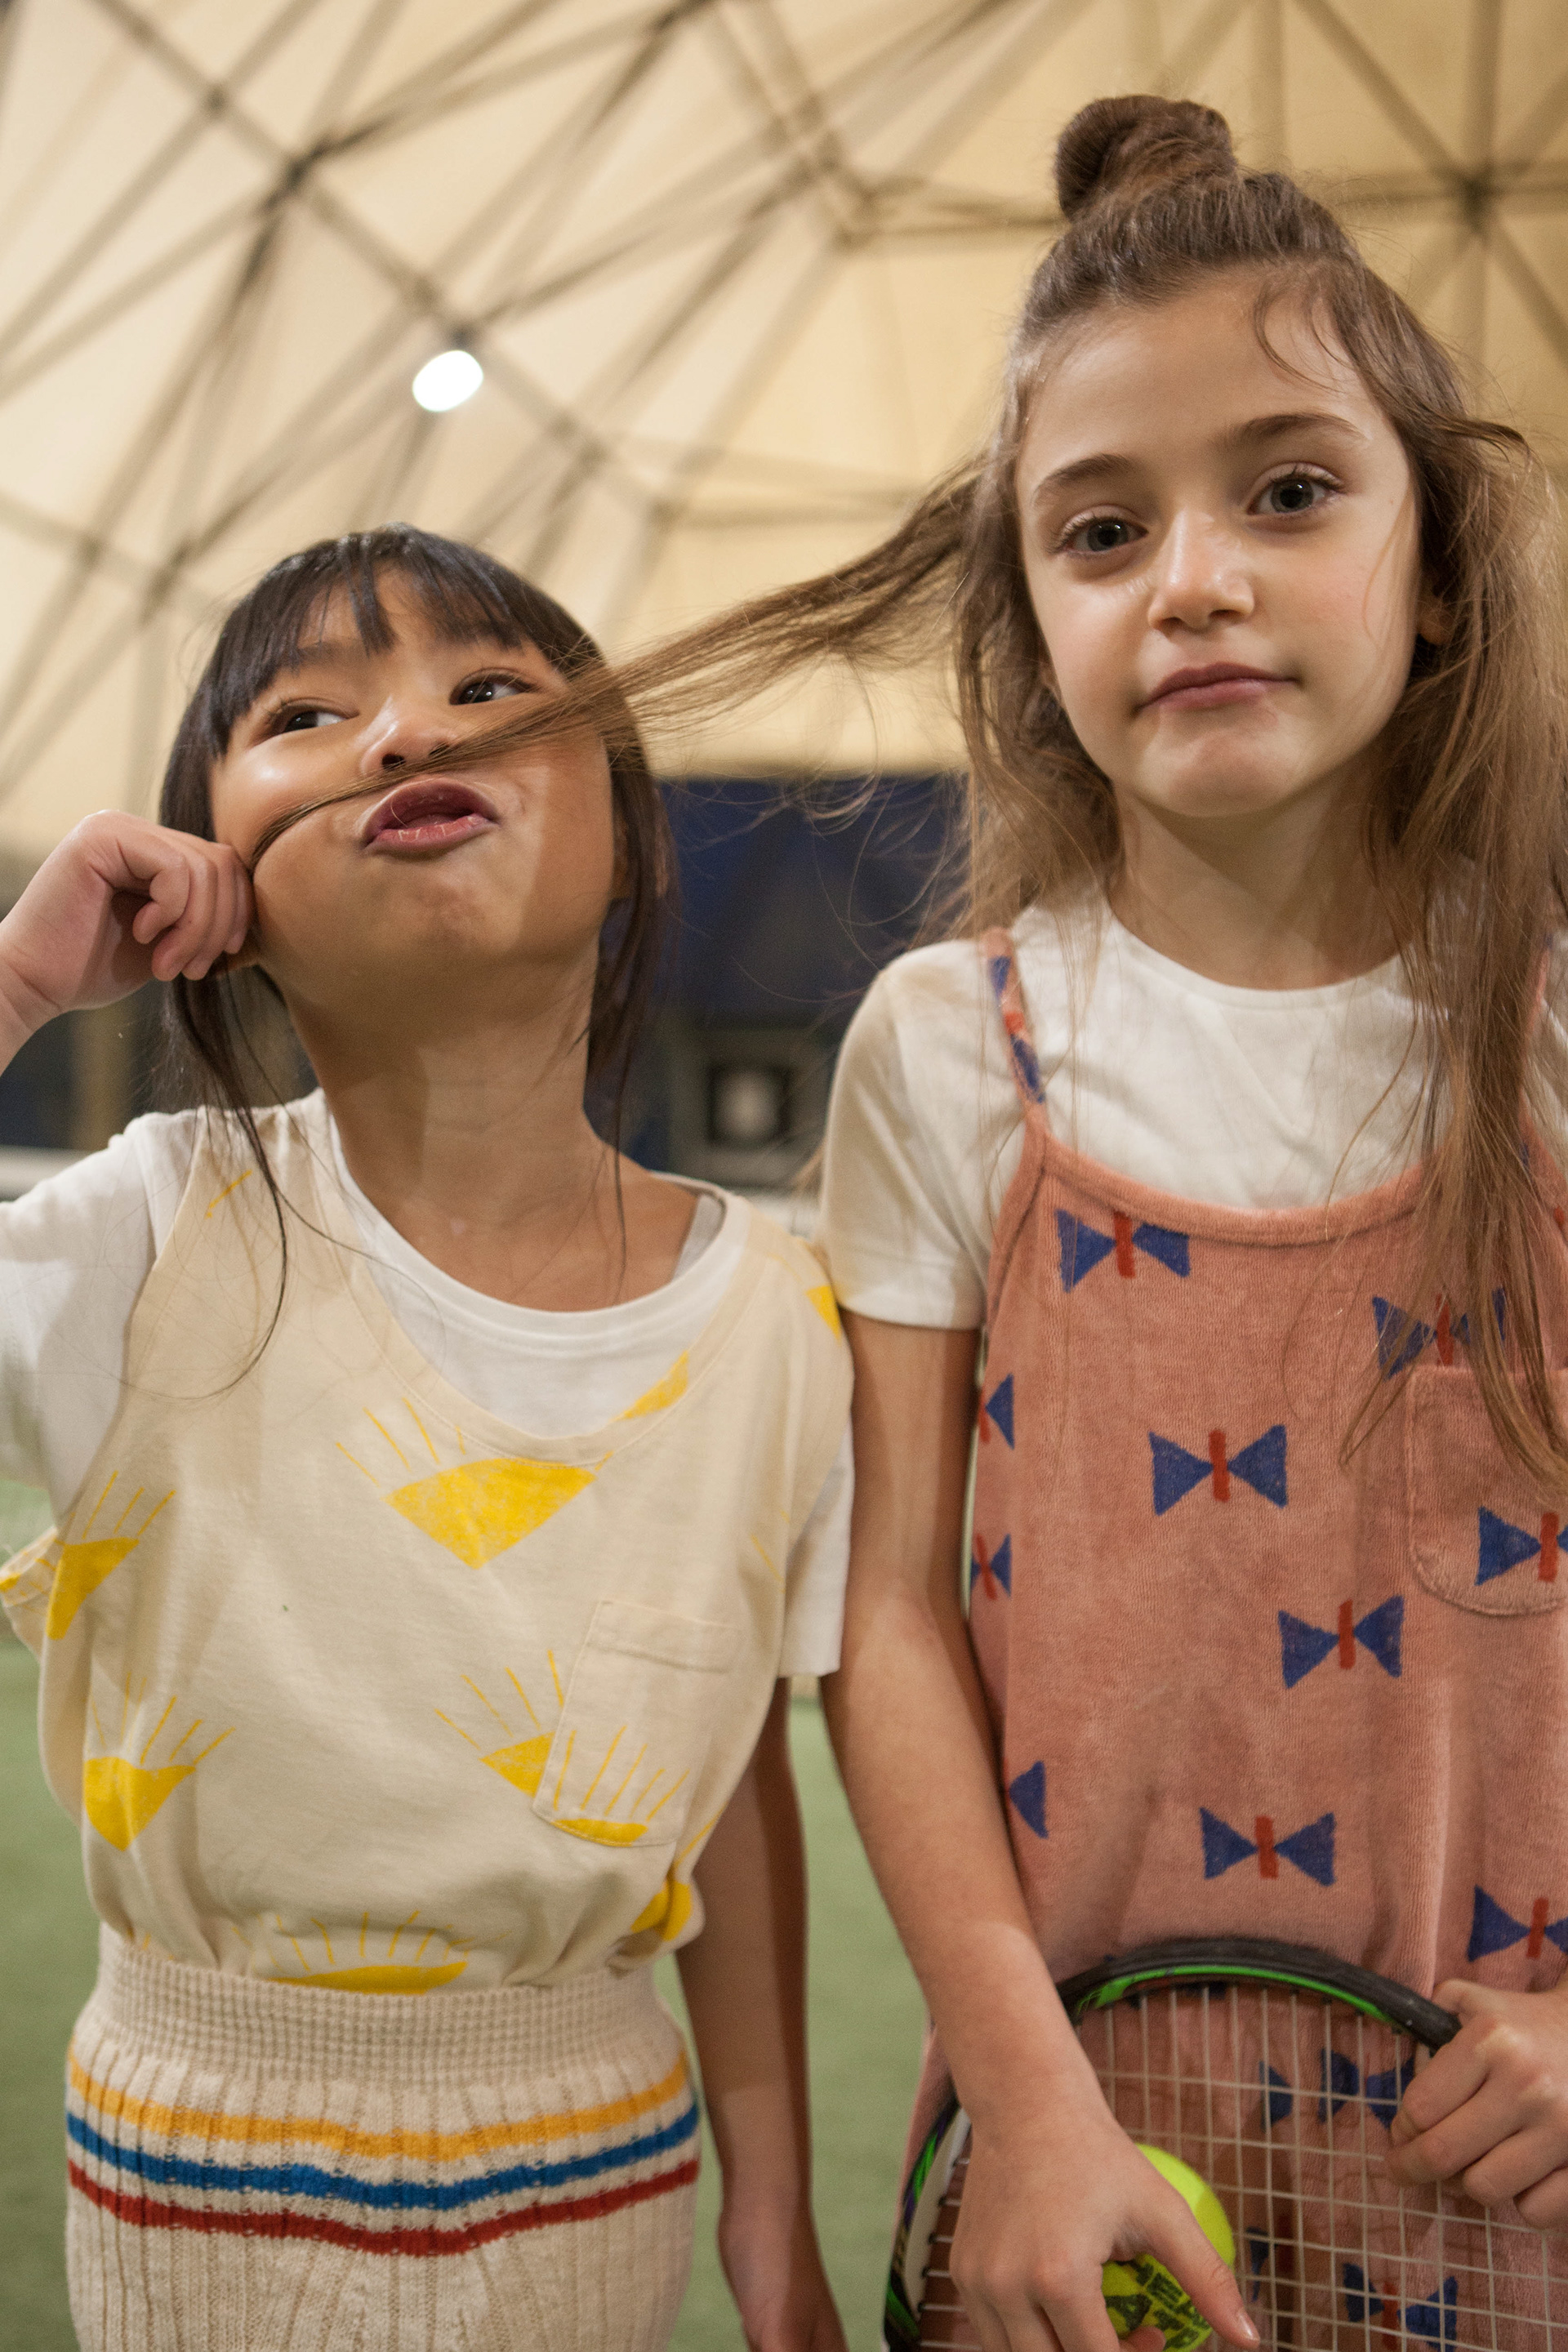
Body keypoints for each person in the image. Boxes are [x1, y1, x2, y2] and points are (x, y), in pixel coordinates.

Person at [790, 93, 1568, 2352]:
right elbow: (887, 1617)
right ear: (1033, 620)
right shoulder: (948, 1052)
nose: (1195, 578)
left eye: (1289, 491)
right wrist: (1029, 2102)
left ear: (1438, 566)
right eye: (1104, 530)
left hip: (1509, 2186)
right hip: (1093, 2179)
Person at [0, 525, 853, 2352]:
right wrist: (14, 988)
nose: (406, 737)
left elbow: (724, 1776)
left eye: (489, 690)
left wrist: (772, 2206)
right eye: (307, 716)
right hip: (192, 2193)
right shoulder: (143, 1237)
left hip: (603, 2183)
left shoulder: (779, 1319)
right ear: (205, 877)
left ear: (632, 833)